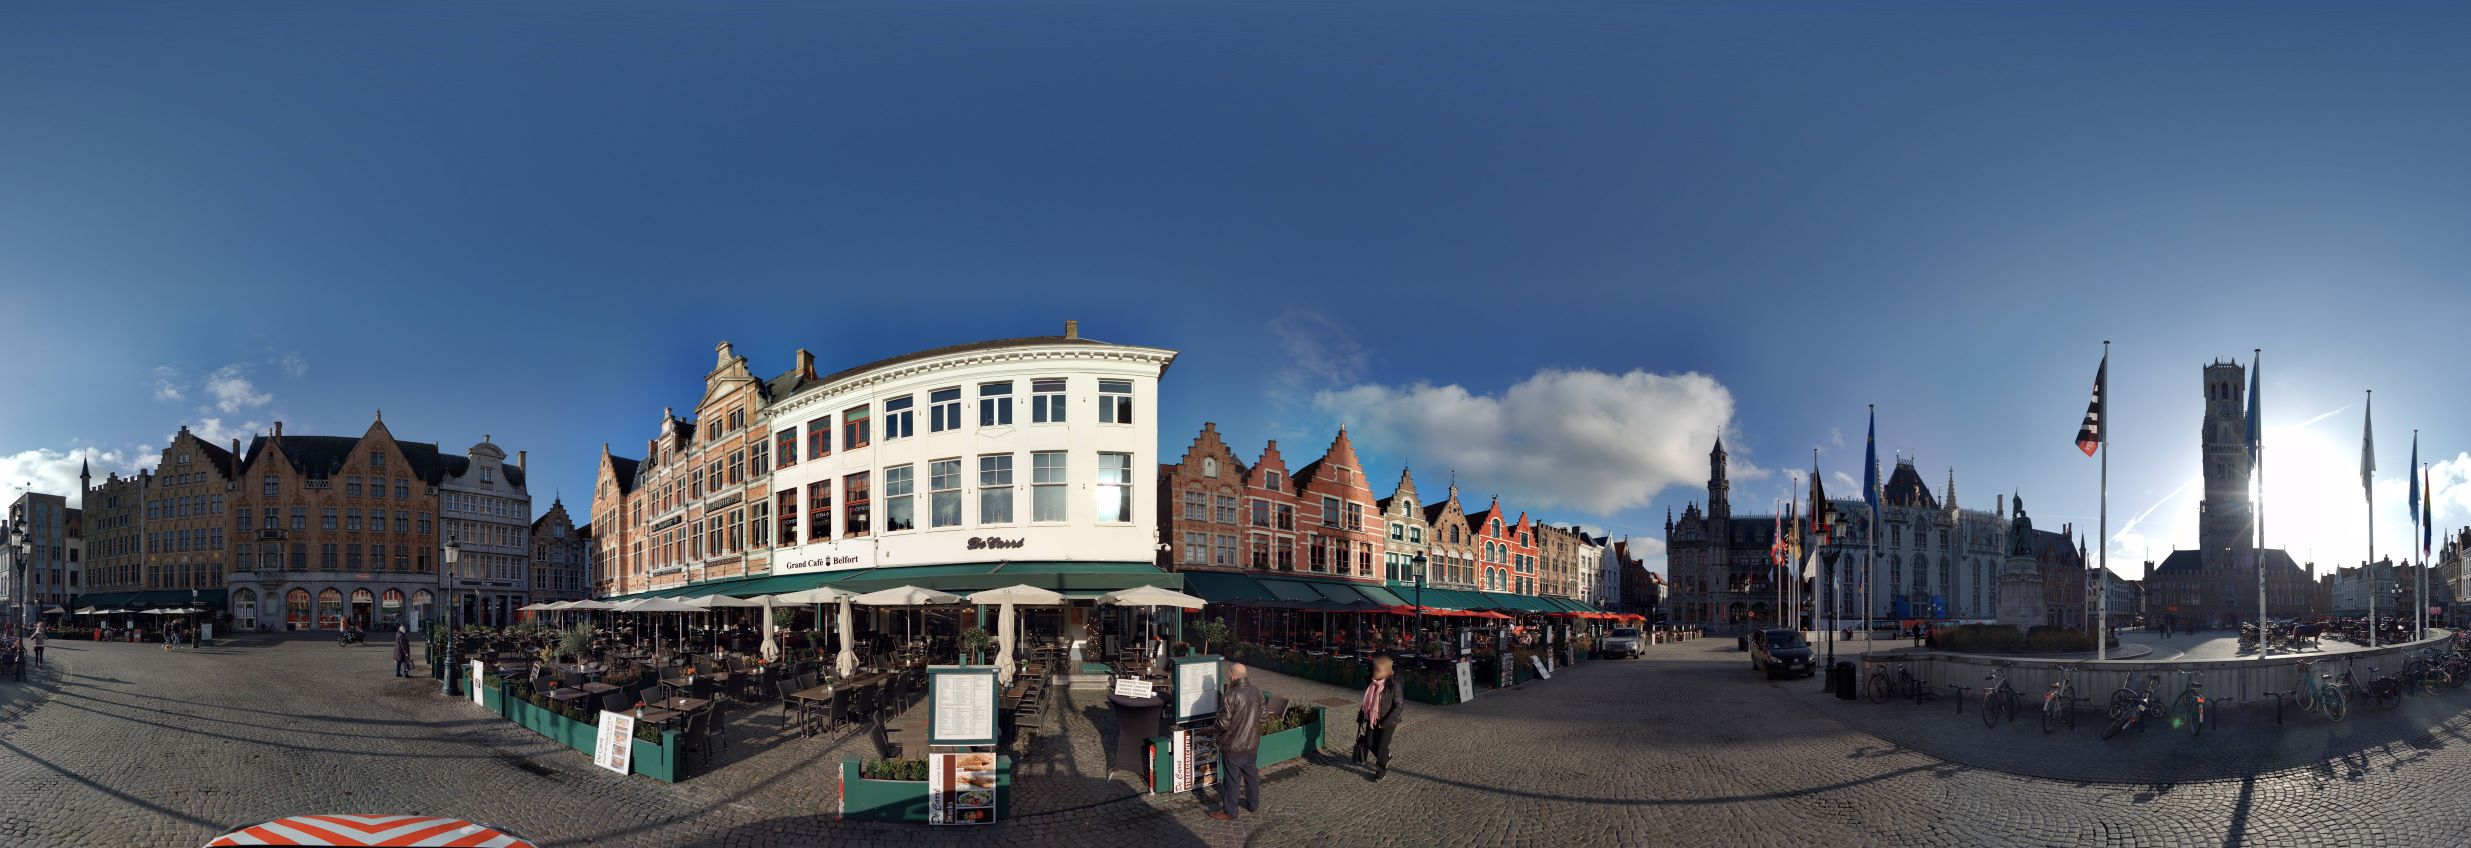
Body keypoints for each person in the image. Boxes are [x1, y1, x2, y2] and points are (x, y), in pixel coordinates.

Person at [1209, 662, 1263, 822]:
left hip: (1233, 746)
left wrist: (1212, 729)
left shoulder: (1231, 694)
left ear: (1232, 676)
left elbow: (1223, 723)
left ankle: (1230, 811)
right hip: (1252, 744)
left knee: (1232, 780)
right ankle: (1253, 805)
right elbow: (1264, 716)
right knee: (1251, 776)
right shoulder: (1257, 692)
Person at [1357, 655, 1405, 780]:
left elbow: (1398, 706)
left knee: (1382, 746)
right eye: (1375, 669)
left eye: (1379, 670)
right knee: (1369, 742)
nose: (1375, 672)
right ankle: (1386, 756)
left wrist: (1386, 722)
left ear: (1387, 672)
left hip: (1388, 721)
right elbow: (1367, 703)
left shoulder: (1394, 686)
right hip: (1372, 718)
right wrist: (1361, 717)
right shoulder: (1371, 683)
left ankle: (1381, 770)